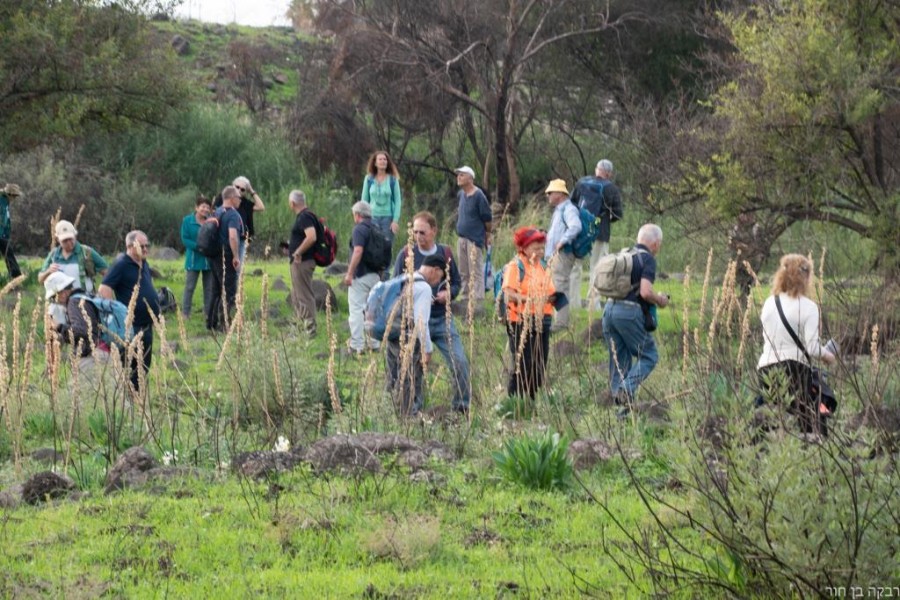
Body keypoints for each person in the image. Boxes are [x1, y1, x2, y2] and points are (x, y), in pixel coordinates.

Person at [392, 211, 470, 413]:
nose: (418, 236)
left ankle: (461, 408)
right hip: (416, 322)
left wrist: (448, 294)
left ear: (434, 231)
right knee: (414, 368)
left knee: (460, 362)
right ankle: (413, 411)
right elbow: (395, 286)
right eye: (415, 232)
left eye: (423, 232)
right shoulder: (406, 254)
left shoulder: (446, 253)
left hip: (442, 318)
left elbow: (457, 283)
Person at [757, 254, 836, 435]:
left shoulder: (770, 303)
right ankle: (814, 455)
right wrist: (828, 356)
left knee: (776, 417)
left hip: (765, 369)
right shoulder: (808, 307)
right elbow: (812, 348)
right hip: (794, 370)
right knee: (811, 419)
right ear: (806, 277)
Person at [602, 224, 669, 409]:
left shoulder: (624, 254)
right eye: (659, 244)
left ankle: (621, 413)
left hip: (608, 310)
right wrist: (660, 300)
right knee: (649, 355)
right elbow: (645, 292)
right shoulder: (647, 259)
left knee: (619, 363)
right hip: (628, 313)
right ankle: (626, 389)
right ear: (655, 243)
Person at [386, 254, 448, 415]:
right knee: (409, 378)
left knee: (393, 376)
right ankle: (406, 418)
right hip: (408, 337)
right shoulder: (424, 288)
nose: (437, 282)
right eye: (440, 277)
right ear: (436, 270)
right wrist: (427, 350)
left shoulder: (403, 278)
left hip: (392, 333)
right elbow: (421, 322)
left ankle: (389, 412)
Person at [99, 230, 160, 392]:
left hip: (147, 324)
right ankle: (128, 399)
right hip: (132, 326)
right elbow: (104, 289)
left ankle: (138, 397)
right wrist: (117, 315)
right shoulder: (121, 264)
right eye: (142, 246)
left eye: (147, 245)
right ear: (129, 246)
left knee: (144, 365)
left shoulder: (143, 263)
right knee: (131, 365)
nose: (146, 249)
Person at [502, 227, 557, 401]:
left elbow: (550, 290)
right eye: (536, 248)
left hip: (543, 320)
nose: (540, 251)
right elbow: (508, 295)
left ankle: (532, 401)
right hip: (520, 321)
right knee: (523, 363)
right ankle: (514, 403)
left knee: (540, 362)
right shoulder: (515, 266)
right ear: (524, 249)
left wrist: (554, 298)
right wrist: (529, 300)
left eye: (542, 247)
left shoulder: (542, 265)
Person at [569, 159, 623, 307]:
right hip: (600, 232)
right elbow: (618, 214)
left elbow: (571, 205)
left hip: (580, 231)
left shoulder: (581, 183)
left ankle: (573, 303)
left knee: (575, 266)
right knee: (598, 268)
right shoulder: (611, 188)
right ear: (609, 173)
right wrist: (604, 221)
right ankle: (593, 304)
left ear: (596, 169)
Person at [44, 271, 110, 373]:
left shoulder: (74, 303)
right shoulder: (85, 296)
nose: (55, 301)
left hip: (93, 357)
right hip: (105, 353)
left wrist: (59, 327)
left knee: (79, 388)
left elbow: (81, 331)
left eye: (54, 297)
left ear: (62, 292)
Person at [344, 201, 382, 354]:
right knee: (372, 310)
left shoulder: (359, 229)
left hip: (361, 275)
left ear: (357, 215)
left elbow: (358, 251)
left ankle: (357, 345)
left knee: (356, 309)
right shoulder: (377, 228)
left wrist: (350, 273)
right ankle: (374, 343)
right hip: (376, 275)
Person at [543, 179, 581, 332]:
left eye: (550, 193)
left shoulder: (569, 209)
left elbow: (575, 226)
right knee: (553, 285)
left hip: (563, 254)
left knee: (560, 286)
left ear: (559, 193)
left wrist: (562, 241)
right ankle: (556, 320)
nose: (548, 196)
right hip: (555, 255)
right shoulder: (559, 210)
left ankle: (561, 323)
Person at [207, 185, 244, 332]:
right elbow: (233, 236)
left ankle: (211, 322)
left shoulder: (217, 212)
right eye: (238, 197)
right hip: (226, 256)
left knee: (216, 290)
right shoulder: (232, 214)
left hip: (214, 256)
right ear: (231, 198)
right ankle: (225, 325)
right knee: (229, 291)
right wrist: (235, 256)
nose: (240, 200)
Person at [454, 166, 492, 306]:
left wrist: (488, 235)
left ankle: (477, 302)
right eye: (458, 175)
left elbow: (487, 219)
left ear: (470, 178)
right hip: (462, 238)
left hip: (474, 239)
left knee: (475, 272)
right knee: (463, 271)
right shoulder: (461, 195)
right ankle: (465, 299)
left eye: (462, 175)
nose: (459, 177)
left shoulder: (479, 196)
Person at [38, 220, 109, 295]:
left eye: (70, 239)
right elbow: (40, 279)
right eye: (65, 240)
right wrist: (48, 271)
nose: (69, 243)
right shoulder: (53, 255)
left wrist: (104, 291)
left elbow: (107, 272)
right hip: (59, 302)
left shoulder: (87, 252)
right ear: (58, 240)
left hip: (83, 300)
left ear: (75, 236)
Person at [214, 176, 265, 265]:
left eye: (242, 189)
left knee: (236, 267)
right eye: (237, 187)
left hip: (240, 239)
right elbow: (214, 213)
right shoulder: (221, 199)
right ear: (232, 185)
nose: (239, 190)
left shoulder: (245, 203)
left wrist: (252, 191)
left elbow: (261, 207)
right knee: (221, 265)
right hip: (223, 236)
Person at [287, 189, 318, 337]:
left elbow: (311, 237)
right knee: (297, 295)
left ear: (292, 203)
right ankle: (300, 328)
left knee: (304, 295)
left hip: (303, 262)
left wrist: (298, 252)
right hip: (300, 261)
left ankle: (310, 329)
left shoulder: (304, 217)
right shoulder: (306, 216)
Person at [180, 195, 213, 319]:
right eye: (203, 207)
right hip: (193, 258)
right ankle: (185, 313)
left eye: (207, 207)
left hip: (208, 260)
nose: (205, 209)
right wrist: (199, 247)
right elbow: (185, 239)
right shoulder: (187, 221)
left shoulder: (212, 220)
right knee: (189, 287)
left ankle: (208, 313)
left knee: (209, 288)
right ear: (197, 207)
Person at [361, 150, 402, 245]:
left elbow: (398, 201)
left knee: (386, 246)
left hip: (388, 219)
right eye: (380, 159)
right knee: (372, 246)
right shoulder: (369, 179)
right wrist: (363, 219)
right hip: (372, 218)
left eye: (385, 159)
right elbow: (364, 201)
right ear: (375, 163)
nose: (383, 161)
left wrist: (395, 220)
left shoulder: (393, 180)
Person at [0, 183, 22, 280]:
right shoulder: (1, 201)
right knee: (9, 254)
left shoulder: (5, 201)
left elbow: (6, 219)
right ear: (10, 194)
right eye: (14, 196)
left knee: (9, 254)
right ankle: (15, 277)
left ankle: (16, 277)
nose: (15, 198)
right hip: (1, 234)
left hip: (3, 234)